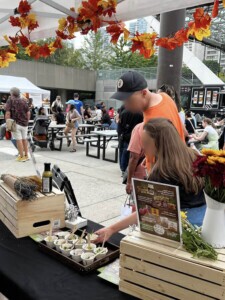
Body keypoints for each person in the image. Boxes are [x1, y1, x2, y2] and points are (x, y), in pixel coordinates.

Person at [94, 118, 205, 243]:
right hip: (204, 222)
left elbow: (148, 211)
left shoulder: (161, 172)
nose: (142, 147)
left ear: (158, 144)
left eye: (146, 143)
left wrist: (111, 229)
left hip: (182, 230)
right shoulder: (195, 155)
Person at [111, 71, 185, 173]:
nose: (126, 106)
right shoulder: (165, 97)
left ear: (144, 93)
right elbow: (181, 130)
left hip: (164, 173)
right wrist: (149, 158)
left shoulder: (155, 121)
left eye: (129, 100)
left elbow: (166, 156)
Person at [5, 87, 30, 162]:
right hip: (24, 123)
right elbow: (28, 112)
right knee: (24, 139)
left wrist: (8, 123)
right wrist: (27, 121)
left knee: (18, 140)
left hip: (15, 123)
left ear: (12, 93)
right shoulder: (24, 100)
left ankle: (21, 156)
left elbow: (8, 113)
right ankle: (26, 155)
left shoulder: (10, 100)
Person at [117, 108, 143, 175]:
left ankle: (123, 169)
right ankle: (125, 169)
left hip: (124, 135)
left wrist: (121, 134)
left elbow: (120, 125)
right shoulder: (140, 113)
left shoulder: (123, 112)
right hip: (133, 135)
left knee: (123, 152)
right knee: (131, 154)